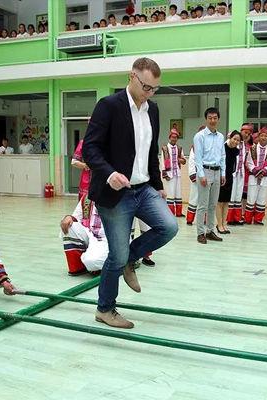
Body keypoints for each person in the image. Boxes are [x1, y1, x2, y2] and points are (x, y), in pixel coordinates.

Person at [82, 58, 178, 329]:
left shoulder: (153, 110)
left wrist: (157, 184)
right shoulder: (109, 106)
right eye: (146, 86)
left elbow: (150, 151)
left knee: (169, 226)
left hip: (144, 188)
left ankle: (130, 260)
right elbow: (91, 149)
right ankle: (105, 309)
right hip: (115, 193)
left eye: (155, 89)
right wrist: (110, 173)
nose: (150, 93)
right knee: (116, 254)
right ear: (131, 77)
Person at [193, 108, 226, 244]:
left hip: (217, 172)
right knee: (202, 205)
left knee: (213, 205)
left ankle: (210, 231)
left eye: (215, 118)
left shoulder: (221, 137)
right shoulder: (199, 136)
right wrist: (201, 175)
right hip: (205, 172)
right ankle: (200, 233)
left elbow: (223, 156)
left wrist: (223, 173)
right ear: (206, 119)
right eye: (210, 118)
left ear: (218, 119)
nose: (213, 120)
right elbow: (198, 158)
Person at [60, 196, 106, 276]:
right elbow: (75, 217)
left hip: (112, 240)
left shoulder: (123, 196)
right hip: (92, 236)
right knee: (68, 226)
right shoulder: (88, 198)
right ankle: (79, 267)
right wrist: (68, 217)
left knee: (92, 261)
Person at [245, 127, 267, 225]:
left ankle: (258, 219)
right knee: (251, 197)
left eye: (266, 136)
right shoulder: (252, 148)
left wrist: (264, 170)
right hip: (253, 176)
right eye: (262, 135)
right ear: (258, 137)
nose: (263, 137)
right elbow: (248, 162)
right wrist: (254, 169)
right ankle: (248, 219)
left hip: (265, 177)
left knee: (262, 198)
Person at [227, 123, 253, 225]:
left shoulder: (246, 146)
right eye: (245, 132)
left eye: (248, 133)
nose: (246, 135)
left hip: (240, 173)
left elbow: (247, 161)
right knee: (231, 195)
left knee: (238, 196)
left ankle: (236, 218)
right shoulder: (231, 141)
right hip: (232, 172)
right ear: (241, 131)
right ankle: (229, 219)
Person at [216, 131, 241, 234]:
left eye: (238, 140)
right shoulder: (222, 147)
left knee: (226, 202)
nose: (236, 141)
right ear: (230, 138)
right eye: (234, 138)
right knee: (219, 202)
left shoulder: (236, 151)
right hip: (221, 176)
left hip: (230, 177)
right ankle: (219, 224)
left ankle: (224, 224)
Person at [161, 129, 186, 217]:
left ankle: (178, 213)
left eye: (176, 137)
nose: (174, 139)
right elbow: (162, 162)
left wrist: (181, 160)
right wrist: (164, 174)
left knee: (178, 193)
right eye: (173, 137)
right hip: (169, 174)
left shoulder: (179, 148)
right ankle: (170, 213)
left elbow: (184, 161)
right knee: (170, 194)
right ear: (169, 137)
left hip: (177, 174)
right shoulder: (165, 148)